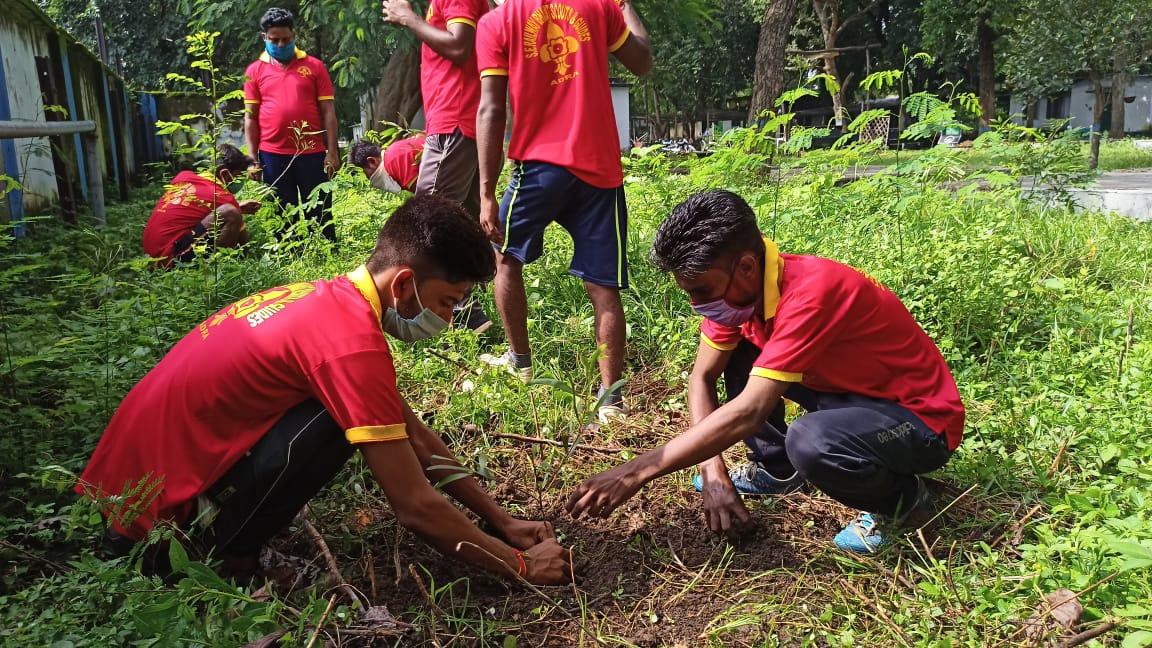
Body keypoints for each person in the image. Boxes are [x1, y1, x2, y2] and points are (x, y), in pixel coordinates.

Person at [78, 195, 573, 586]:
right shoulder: (349, 345)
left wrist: (500, 519)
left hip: (123, 491)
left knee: (350, 416)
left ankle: (223, 532)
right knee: (335, 426)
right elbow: (415, 505)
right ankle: (229, 559)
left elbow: (413, 434)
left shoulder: (328, 301)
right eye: (447, 302)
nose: (446, 319)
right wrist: (520, 566)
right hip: (149, 529)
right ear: (403, 285)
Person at [566, 190, 965, 554]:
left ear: (745, 267)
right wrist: (713, 472)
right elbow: (701, 377)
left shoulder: (812, 292)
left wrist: (634, 472)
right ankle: (778, 468)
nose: (695, 303)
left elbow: (750, 411)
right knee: (740, 350)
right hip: (851, 395)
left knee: (813, 440)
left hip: (921, 422)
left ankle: (902, 500)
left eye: (701, 291)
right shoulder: (741, 295)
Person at [474, 0, 653, 420]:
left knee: (506, 259)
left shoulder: (497, 22)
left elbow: (491, 109)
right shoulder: (598, 8)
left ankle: (520, 364)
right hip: (600, 170)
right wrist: (624, 6)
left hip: (538, 169)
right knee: (603, 286)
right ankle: (613, 400)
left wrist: (486, 192)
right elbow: (642, 61)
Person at [383, 0, 494, 332]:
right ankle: (469, 315)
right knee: (467, 224)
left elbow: (459, 46)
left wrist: (408, 19)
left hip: (455, 121)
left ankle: (435, 317)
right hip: (463, 123)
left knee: (425, 222)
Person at [243, 7, 341, 242]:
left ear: (294, 35)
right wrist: (252, 159)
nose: (280, 44)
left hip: (312, 153)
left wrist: (333, 152)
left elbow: (328, 111)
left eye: (285, 39)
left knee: (320, 210)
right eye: (274, 40)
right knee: (282, 214)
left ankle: (326, 253)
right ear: (264, 38)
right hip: (272, 156)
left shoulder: (315, 66)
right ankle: (289, 255)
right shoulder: (254, 71)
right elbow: (250, 118)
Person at [142, 144, 260, 268]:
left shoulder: (184, 177)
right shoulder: (222, 196)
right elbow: (243, 241)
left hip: (151, 255)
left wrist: (239, 207)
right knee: (231, 213)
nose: (240, 181)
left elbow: (190, 210)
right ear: (224, 175)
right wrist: (249, 263)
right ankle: (215, 271)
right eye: (237, 177)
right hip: (170, 257)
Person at [348, 135, 427, 194]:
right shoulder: (393, 152)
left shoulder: (394, 162)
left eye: (366, 175)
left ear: (372, 161)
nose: (369, 180)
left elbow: (427, 194)